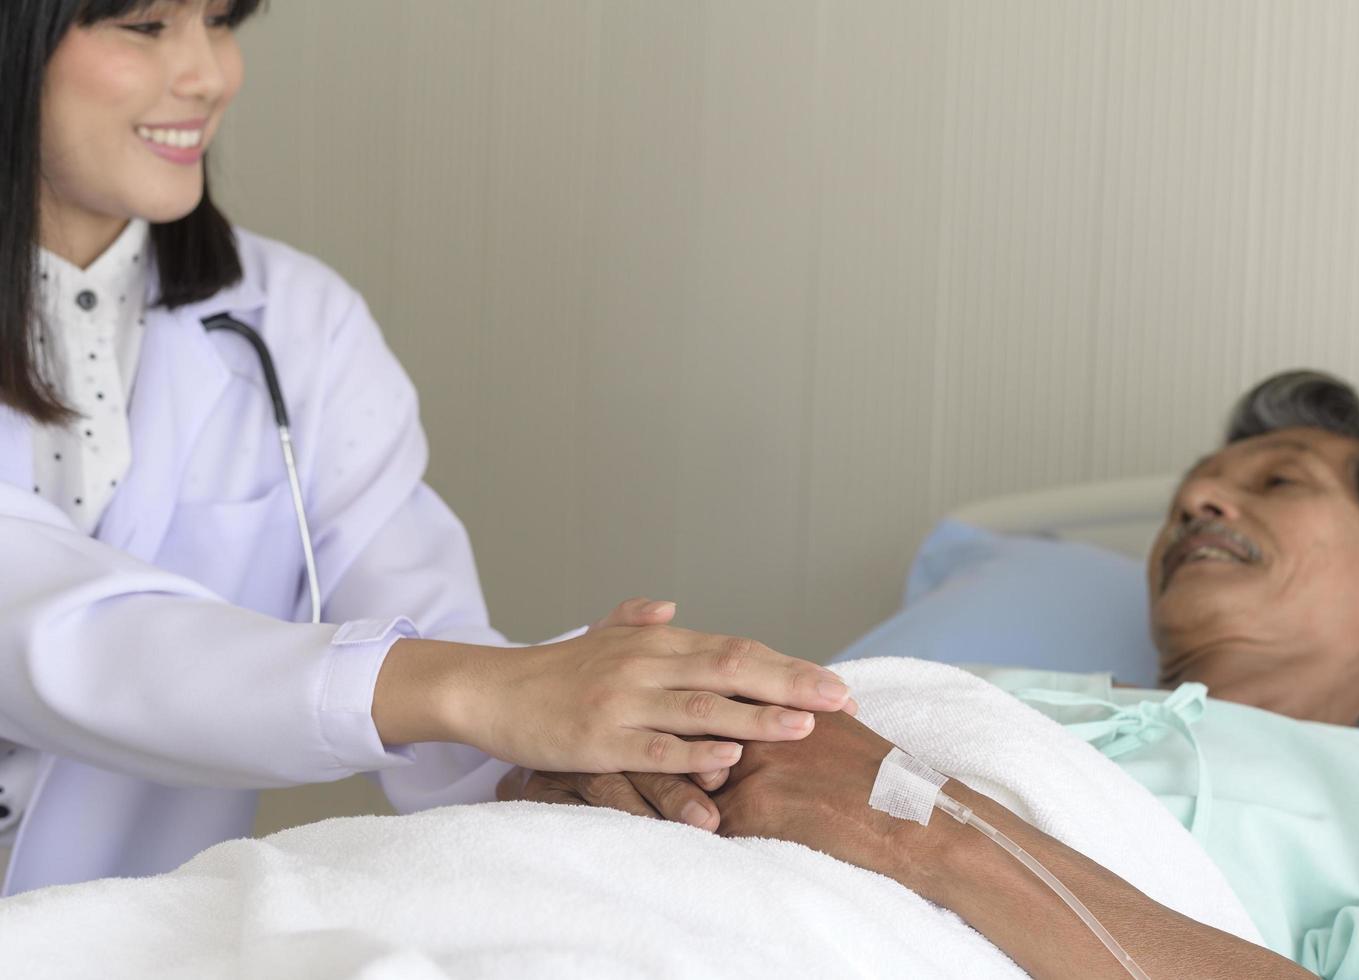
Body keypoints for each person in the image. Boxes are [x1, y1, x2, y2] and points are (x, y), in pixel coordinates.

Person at [0, 0, 858, 896]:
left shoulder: (295, 320)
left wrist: (602, 745)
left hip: (114, 935)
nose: (209, 75)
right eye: (145, 27)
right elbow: (58, 630)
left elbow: (425, 623)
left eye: (219, 21)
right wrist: (487, 691)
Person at [511, 371, 1359, 978]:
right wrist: (581, 777)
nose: (1199, 501)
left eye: (1276, 481)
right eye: (1186, 499)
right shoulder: (955, 684)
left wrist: (934, 833)